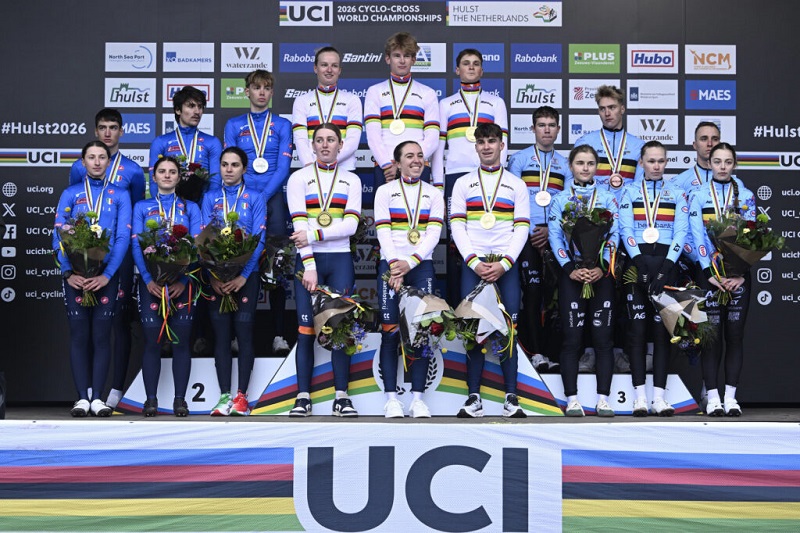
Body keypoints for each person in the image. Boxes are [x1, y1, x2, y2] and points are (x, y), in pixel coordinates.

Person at [450, 123, 529, 418]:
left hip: (505, 266)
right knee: (474, 332)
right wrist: (473, 262)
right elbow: (457, 225)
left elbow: (522, 228)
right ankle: (474, 397)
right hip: (475, 264)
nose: (486, 147)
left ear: (501, 145)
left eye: (492, 141)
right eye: (481, 142)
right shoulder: (463, 184)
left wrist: (504, 264)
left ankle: (511, 397)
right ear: (476, 147)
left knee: (508, 330)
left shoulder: (516, 185)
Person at [68, 108, 146, 409]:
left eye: (113, 127)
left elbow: (135, 216)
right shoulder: (79, 168)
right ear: (95, 131)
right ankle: (88, 391)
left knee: (118, 321)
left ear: (121, 131)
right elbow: (72, 214)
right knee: (87, 324)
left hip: (119, 258)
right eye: (102, 127)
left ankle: (115, 388)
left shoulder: (133, 171)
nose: (108, 133)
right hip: (84, 256)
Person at [286, 123, 362, 417]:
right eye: (320, 140)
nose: (326, 144)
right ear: (312, 145)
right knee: (306, 330)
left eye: (331, 140)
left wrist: (315, 235)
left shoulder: (352, 180)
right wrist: (309, 265)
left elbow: (351, 226)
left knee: (340, 328)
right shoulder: (299, 178)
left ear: (341, 145)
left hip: (340, 259)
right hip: (309, 262)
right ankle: (302, 397)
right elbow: (298, 228)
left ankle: (341, 396)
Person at [54, 141, 132, 417]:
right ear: (83, 162)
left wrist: (107, 275)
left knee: (101, 336)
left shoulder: (120, 194)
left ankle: (97, 397)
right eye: (91, 157)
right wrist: (68, 272)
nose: (97, 162)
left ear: (109, 163)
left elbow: (122, 237)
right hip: (75, 277)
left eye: (102, 157)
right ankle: (81, 398)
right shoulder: (70, 193)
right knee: (79, 336)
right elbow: (58, 234)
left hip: (106, 278)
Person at [224, 70, 294, 355]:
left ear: (272, 92)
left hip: (272, 200)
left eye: (266, 88)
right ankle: (237, 336)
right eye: (256, 87)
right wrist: (251, 198)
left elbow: (283, 167)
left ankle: (279, 334)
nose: (261, 92)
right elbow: (231, 163)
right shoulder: (234, 124)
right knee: (236, 263)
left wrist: (262, 197)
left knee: (276, 269)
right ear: (247, 92)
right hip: (242, 200)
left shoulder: (283, 124)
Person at [548, 145, 619, 417]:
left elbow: (615, 235)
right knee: (572, 339)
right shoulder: (560, 199)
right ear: (571, 166)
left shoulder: (608, 198)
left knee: (603, 339)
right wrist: (570, 268)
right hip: (572, 275)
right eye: (580, 163)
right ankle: (572, 399)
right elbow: (555, 237)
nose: (585, 168)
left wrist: (602, 267)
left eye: (590, 163)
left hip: (601, 275)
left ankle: (603, 399)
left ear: (597, 166)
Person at [433, 48, 508, 306]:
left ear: (482, 70)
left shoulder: (495, 103)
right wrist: (439, 186)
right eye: (466, 63)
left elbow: (503, 144)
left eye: (476, 63)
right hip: (455, 177)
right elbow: (438, 148)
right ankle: (459, 306)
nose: (471, 67)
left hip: (490, 177)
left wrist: (500, 178)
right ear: (457, 70)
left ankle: (494, 302)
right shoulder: (446, 104)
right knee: (456, 241)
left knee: (489, 232)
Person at [375, 141, 444, 418]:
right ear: (397, 162)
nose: (416, 160)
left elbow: (433, 235)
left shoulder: (434, 193)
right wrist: (395, 266)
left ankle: (417, 399)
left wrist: (410, 263)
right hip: (391, 265)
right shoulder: (384, 191)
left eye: (420, 156)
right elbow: (383, 231)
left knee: (421, 334)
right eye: (409, 156)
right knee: (390, 332)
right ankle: (391, 399)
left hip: (420, 266)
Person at [619, 141, 689, 416]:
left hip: (666, 269)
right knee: (637, 334)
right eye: (651, 161)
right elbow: (626, 230)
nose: (656, 166)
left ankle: (659, 398)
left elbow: (681, 232)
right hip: (637, 268)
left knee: (662, 335)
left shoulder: (677, 193)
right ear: (642, 163)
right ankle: (639, 398)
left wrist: (664, 269)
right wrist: (640, 265)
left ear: (666, 162)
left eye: (661, 161)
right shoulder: (629, 191)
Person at [131, 156, 201, 417]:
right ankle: (150, 400)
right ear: (154, 176)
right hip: (151, 285)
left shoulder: (191, 207)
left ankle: (180, 400)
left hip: (182, 286)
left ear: (179, 177)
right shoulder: (142, 207)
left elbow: (197, 248)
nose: (167, 175)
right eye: (162, 171)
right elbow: (136, 246)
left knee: (181, 343)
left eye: (172, 172)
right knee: (152, 342)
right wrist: (148, 280)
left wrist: (183, 280)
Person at [688, 143, 755, 417]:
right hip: (710, 277)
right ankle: (713, 397)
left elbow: (752, 237)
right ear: (709, 163)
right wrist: (709, 275)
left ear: (734, 164)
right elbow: (696, 237)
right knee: (711, 339)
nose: (723, 167)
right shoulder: (698, 195)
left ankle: (731, 398)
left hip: (739, 278)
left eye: (728, 162)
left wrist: (740, 273)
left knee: (734, 337)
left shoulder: (746, 196)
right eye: (717, 161)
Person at [201, 147, 267, 416]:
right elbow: (204, 239)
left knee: (244, 332)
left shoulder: (256, 197)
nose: (229, 170)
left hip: (246, 277)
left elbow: (259, 239)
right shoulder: (210, 197)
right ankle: (224, 396)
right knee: (221, 335)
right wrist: (213, 276)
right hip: (216, 278)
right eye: (225, 164)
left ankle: (242, 397)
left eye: (235, 165)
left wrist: (242, 276)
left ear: (244, 169)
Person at [507, 106, 571, 372]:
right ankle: (534, 352)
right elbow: (512, 199)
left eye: (551, 125)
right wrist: (534, 229)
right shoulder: (519, 160)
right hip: (527, 236)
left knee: (555, 298)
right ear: (533, 129)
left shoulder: (565, 164)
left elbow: (568, 204)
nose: (546, 130)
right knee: (532, 296)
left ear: (558, 129)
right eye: (541, 125)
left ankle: (552, 352)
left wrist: (550, 230)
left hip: (555, 237)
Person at [365, 32, 440, 188]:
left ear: (413, 59)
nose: (402, 60)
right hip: (385, 167)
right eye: (397, 56)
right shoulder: (375, 91)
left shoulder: (428, 93)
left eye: (406, 56)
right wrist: (387, 164)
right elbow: (373, 136)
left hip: (417, 166)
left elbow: (432, 138)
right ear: (388, 58)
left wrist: (410, 161)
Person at [292, 46, 363, 172]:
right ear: (315, 68)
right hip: (311, 168)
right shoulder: (302, 101)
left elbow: (353, 141)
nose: (329, 70)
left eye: (334, 66)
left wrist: (328, 162)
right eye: (324, 65)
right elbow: (300, 139)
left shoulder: (352, 100)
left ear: (339, 70)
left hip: (344, 168)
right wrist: (311, 164)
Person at [574, 85, 644, 201]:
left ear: (622, 109)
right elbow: (576, 183)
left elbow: (639, 187)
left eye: (612, 107)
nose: (607, 113)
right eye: (602, 109)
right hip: (594, 207)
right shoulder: (585, 142)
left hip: (626, 208)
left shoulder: (639, 145)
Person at [149, 86, 223, 195]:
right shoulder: (160, 142)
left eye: (200, 107)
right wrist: (166, 204)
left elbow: (215, 183)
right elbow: (154, 183)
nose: (197, 111)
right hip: (170, 204)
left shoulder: (212, 142)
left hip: (201, 204)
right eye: (191, 106)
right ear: (178, 110)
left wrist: (204, 205)